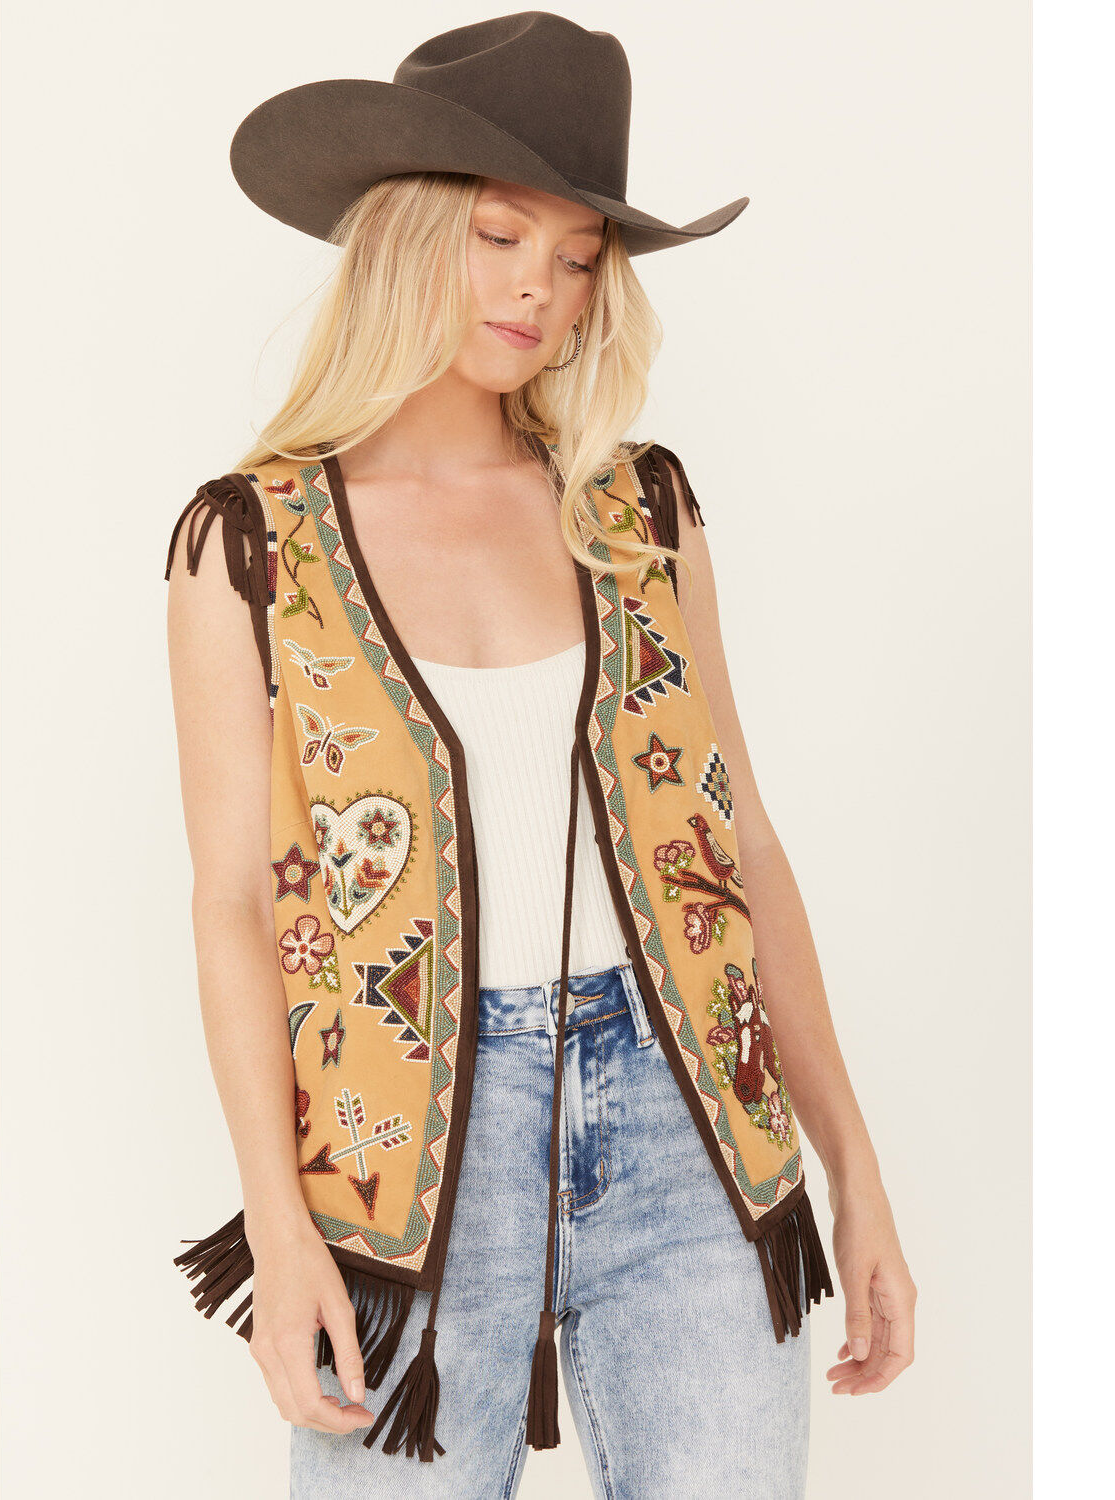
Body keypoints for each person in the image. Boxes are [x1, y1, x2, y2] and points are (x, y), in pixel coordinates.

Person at [164, 13, 916, 1498]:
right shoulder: (252, 541)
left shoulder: (639, 512)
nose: (539, 289)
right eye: (500, 237)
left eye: (578, 258)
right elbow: (233, 902)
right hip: (403, 1166)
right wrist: (279, 1225)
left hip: (691, 1134)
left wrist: (858, 1170)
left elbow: (741, 848)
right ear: (405, 236)